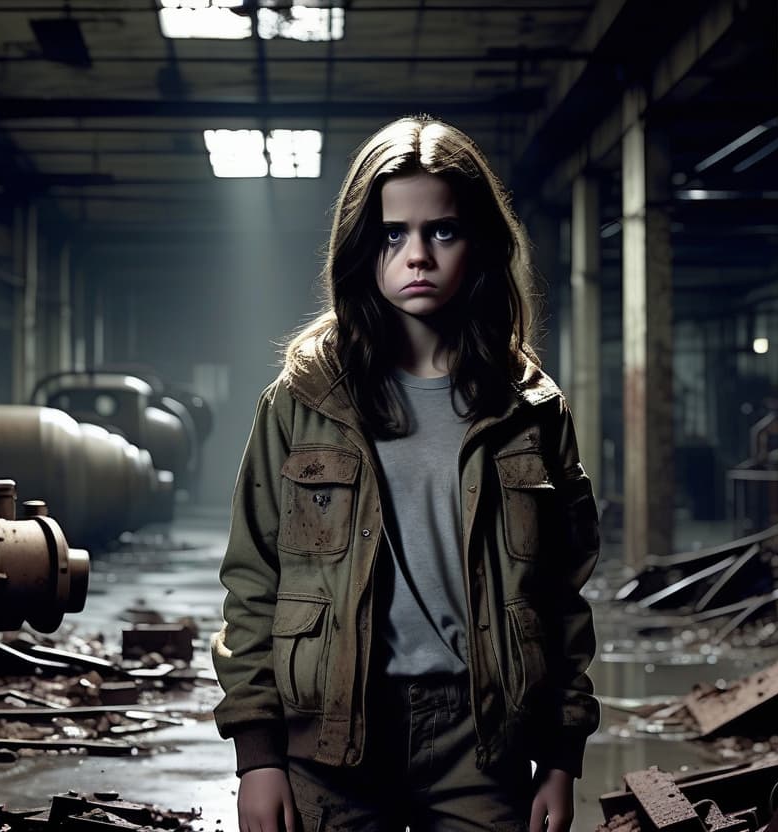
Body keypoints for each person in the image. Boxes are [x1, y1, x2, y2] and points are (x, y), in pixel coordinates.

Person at [211, 115, 600, 832]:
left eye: (441, 231)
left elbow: (561, 594)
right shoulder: (303, 402)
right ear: (364, 248)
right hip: (331, 739)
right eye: (393, 234)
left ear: (478, 241)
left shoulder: (530, 408)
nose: (416, 255)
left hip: (482, 740)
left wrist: (561, 755)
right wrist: (257, 755)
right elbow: (252, 583)